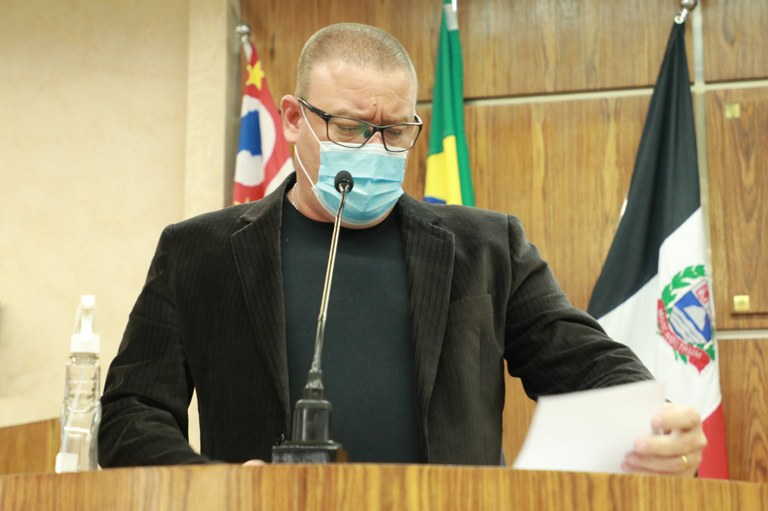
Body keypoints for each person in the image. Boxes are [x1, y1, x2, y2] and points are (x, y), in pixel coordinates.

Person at [99, 23, 706, 475]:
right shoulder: (197, 252)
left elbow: (586, 364)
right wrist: (217, 486)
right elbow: (130, 416)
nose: (374, 148)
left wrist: (658, 419)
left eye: (394, 131)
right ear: (293, 117)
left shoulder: (487, 248)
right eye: (350, 127)